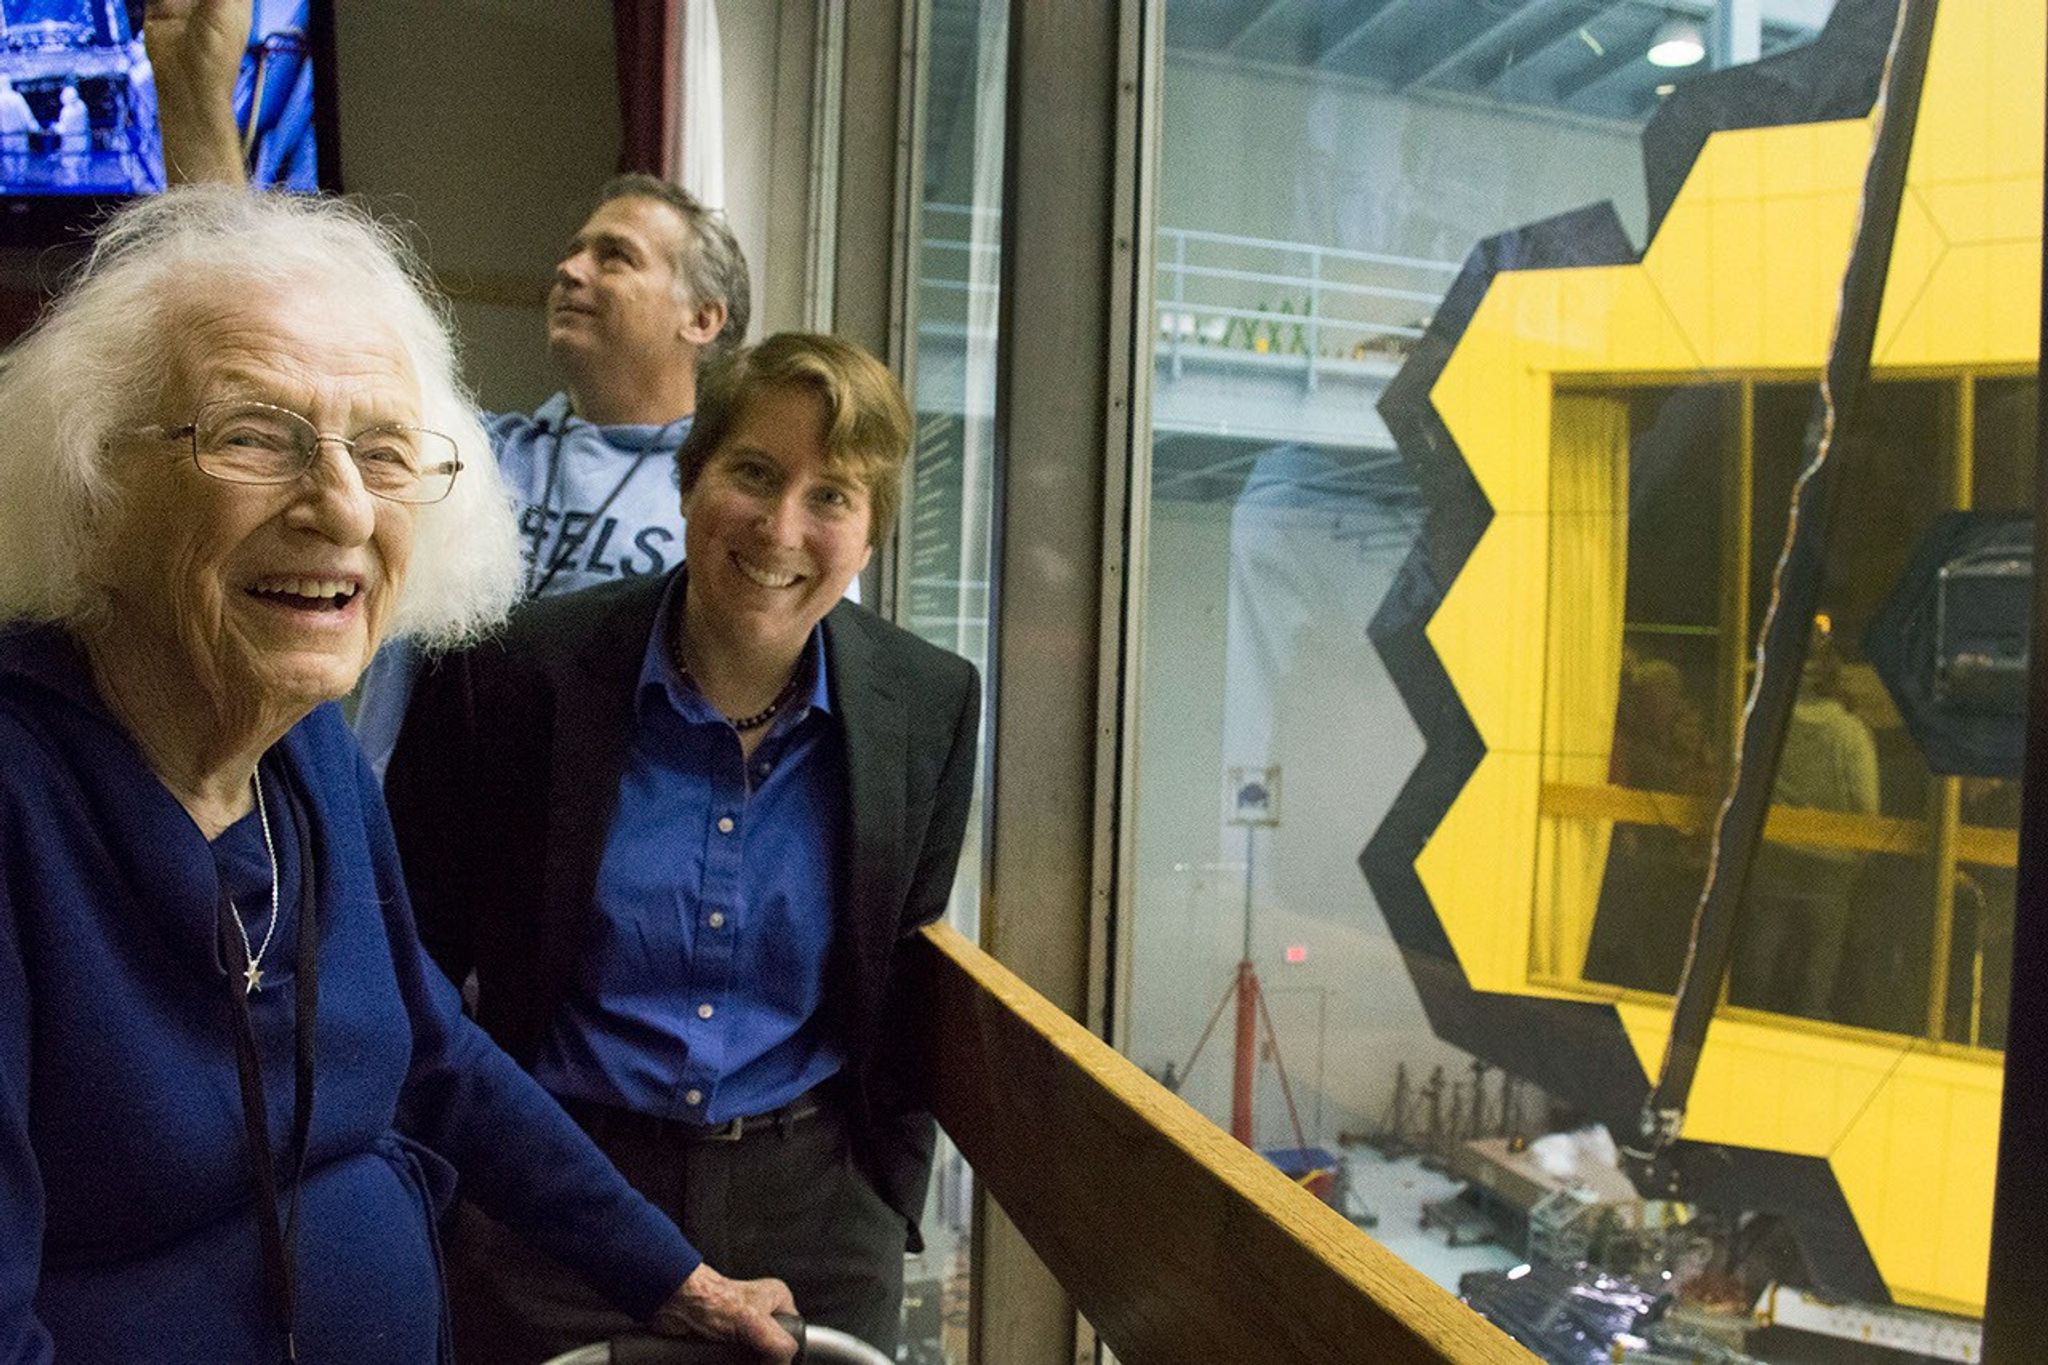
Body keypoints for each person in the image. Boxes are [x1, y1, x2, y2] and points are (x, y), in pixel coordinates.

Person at [0, 186, 798, 1364]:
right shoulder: (19, 799)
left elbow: (429, 1048)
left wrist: (666, 1274)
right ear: (96, 480)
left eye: (383, 451)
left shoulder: (307, 748)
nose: (338, 505)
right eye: (255, 436)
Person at [386, 333, 981, 1363]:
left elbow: (901, 980)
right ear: (689, 475)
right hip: (550, 1199)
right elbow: (409, 961)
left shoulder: (929, 705)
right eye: (752, 472)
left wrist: (882, 1201)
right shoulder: (509, 677)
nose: (782, 526)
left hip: (815, 1216)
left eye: (832, 496)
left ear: (871, 533)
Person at [144, 0, 753, 773]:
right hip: (418, 849)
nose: (569, 269)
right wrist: (197, 108)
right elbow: (269, 339)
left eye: (615, 257)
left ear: (702, 316)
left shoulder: (737, 499)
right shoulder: (470, 457)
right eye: (573, 251)